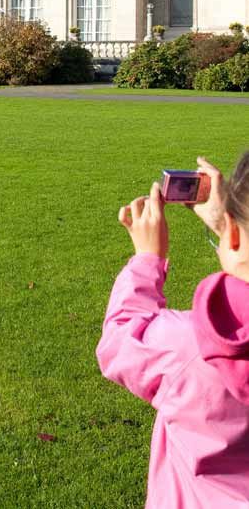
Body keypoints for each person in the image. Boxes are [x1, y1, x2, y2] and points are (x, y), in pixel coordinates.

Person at [97, 156, 249, 508]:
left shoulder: (192, 345)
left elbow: (121, 338)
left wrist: (147, 258)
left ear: (237, 233)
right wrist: (228, 228)